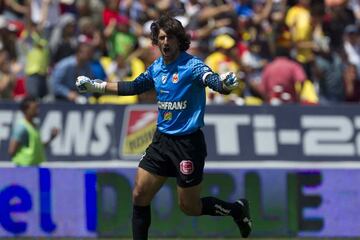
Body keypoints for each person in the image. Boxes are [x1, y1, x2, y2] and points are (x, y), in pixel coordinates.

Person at [76, 15, 252, 239]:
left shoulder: (192, 65)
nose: (165, 42)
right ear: (156, 42)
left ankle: (236, 209)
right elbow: (133, 87)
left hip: (188, 144)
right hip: (162, 141)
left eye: (170, 37)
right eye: (161, 38)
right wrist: (96, 86)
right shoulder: (157, 68)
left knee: (189, 207)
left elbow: (212, 80)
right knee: (139, 194)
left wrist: (224, 85)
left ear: (179, 41)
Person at [8, 96, 59, 166]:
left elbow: (38, 146)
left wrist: (51, 138)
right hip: (24, 168)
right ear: (26, 110)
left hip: (34, 167)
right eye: (34, 108)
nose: (38, 111)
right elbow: (11, 151)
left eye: (38, 108)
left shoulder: (34, 126)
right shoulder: (21, 128)